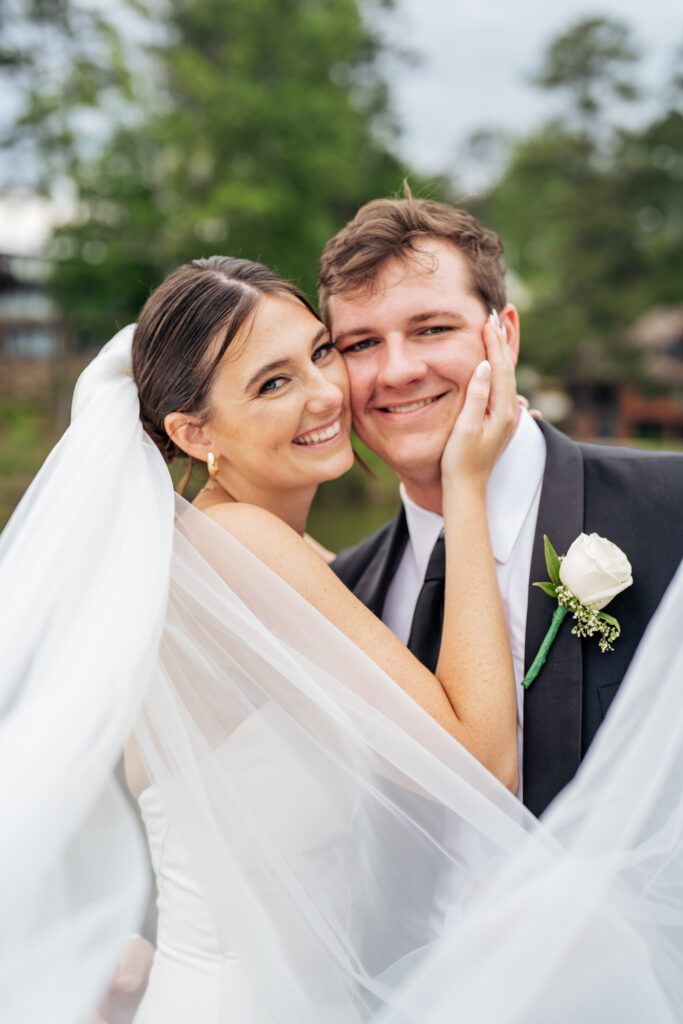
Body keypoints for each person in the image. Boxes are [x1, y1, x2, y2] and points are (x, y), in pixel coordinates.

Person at [2, 255, 682, 1024]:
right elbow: (482, 759)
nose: (327, 393)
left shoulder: (291, 568)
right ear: (194, 433)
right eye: (272, 383)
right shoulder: (235, 546)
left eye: (321, 352)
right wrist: (465, 485)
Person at [319, 190, 683, 815]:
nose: (398, 370)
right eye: (360, 344)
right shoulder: (345, 595)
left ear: (504, 335)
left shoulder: (669, 509)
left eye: (432, 329)